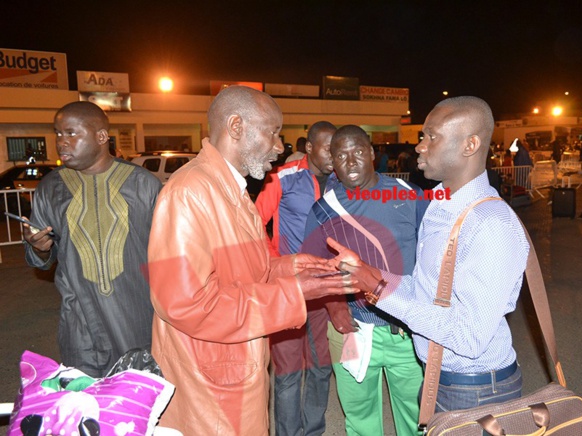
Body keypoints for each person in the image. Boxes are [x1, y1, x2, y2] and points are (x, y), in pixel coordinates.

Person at [146, 86, 354, 435]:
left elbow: (246, 271)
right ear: (237, 126)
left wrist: (291, 267)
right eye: (272, 132)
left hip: (238, 368)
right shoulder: (188, 193)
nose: (279, 146)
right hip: (209, 388)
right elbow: (184, 304)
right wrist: (291, 294)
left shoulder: (233, 190)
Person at [329, 96, 529, 413]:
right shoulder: (442, 205)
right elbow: (426, 292)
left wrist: (380, 290)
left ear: (470, 145)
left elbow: (469, 337)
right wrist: (372, 275)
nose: (420, 146)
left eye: (431, 136)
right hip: (444, 378)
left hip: (477, 390)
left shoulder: (490, 224)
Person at [302, 125, 427, 435]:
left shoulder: (408, 195)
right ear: (332, 161)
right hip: (353, 332)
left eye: (358, 152)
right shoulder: (323, 210)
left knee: (416, 419)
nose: (351, 161)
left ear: (372, 154)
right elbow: (312, 269)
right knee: (359, 419)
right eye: (341, 155)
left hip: (406, 333)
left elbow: (433, 258)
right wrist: (333, 306)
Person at [22, 101, 162, 378]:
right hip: (80, 326)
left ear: (101, 137)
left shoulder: (144, 184)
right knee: (86, 409)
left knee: (135, 409)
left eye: (71, 133)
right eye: (58, 134)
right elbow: (40, 259)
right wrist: (38, 248)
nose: (62, 142)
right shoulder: (51, 187)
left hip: (136, 321)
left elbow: (168, 254)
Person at [255, 121, 337, 436]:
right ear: (310, 147)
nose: (334, 155)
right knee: (288, 372)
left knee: (319, 369)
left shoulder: (341, 183)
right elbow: (254, 223)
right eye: (328, 147)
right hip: (288, 291)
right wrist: (277, 265)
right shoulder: (282, 178)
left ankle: (313, 430)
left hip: (326, 293)